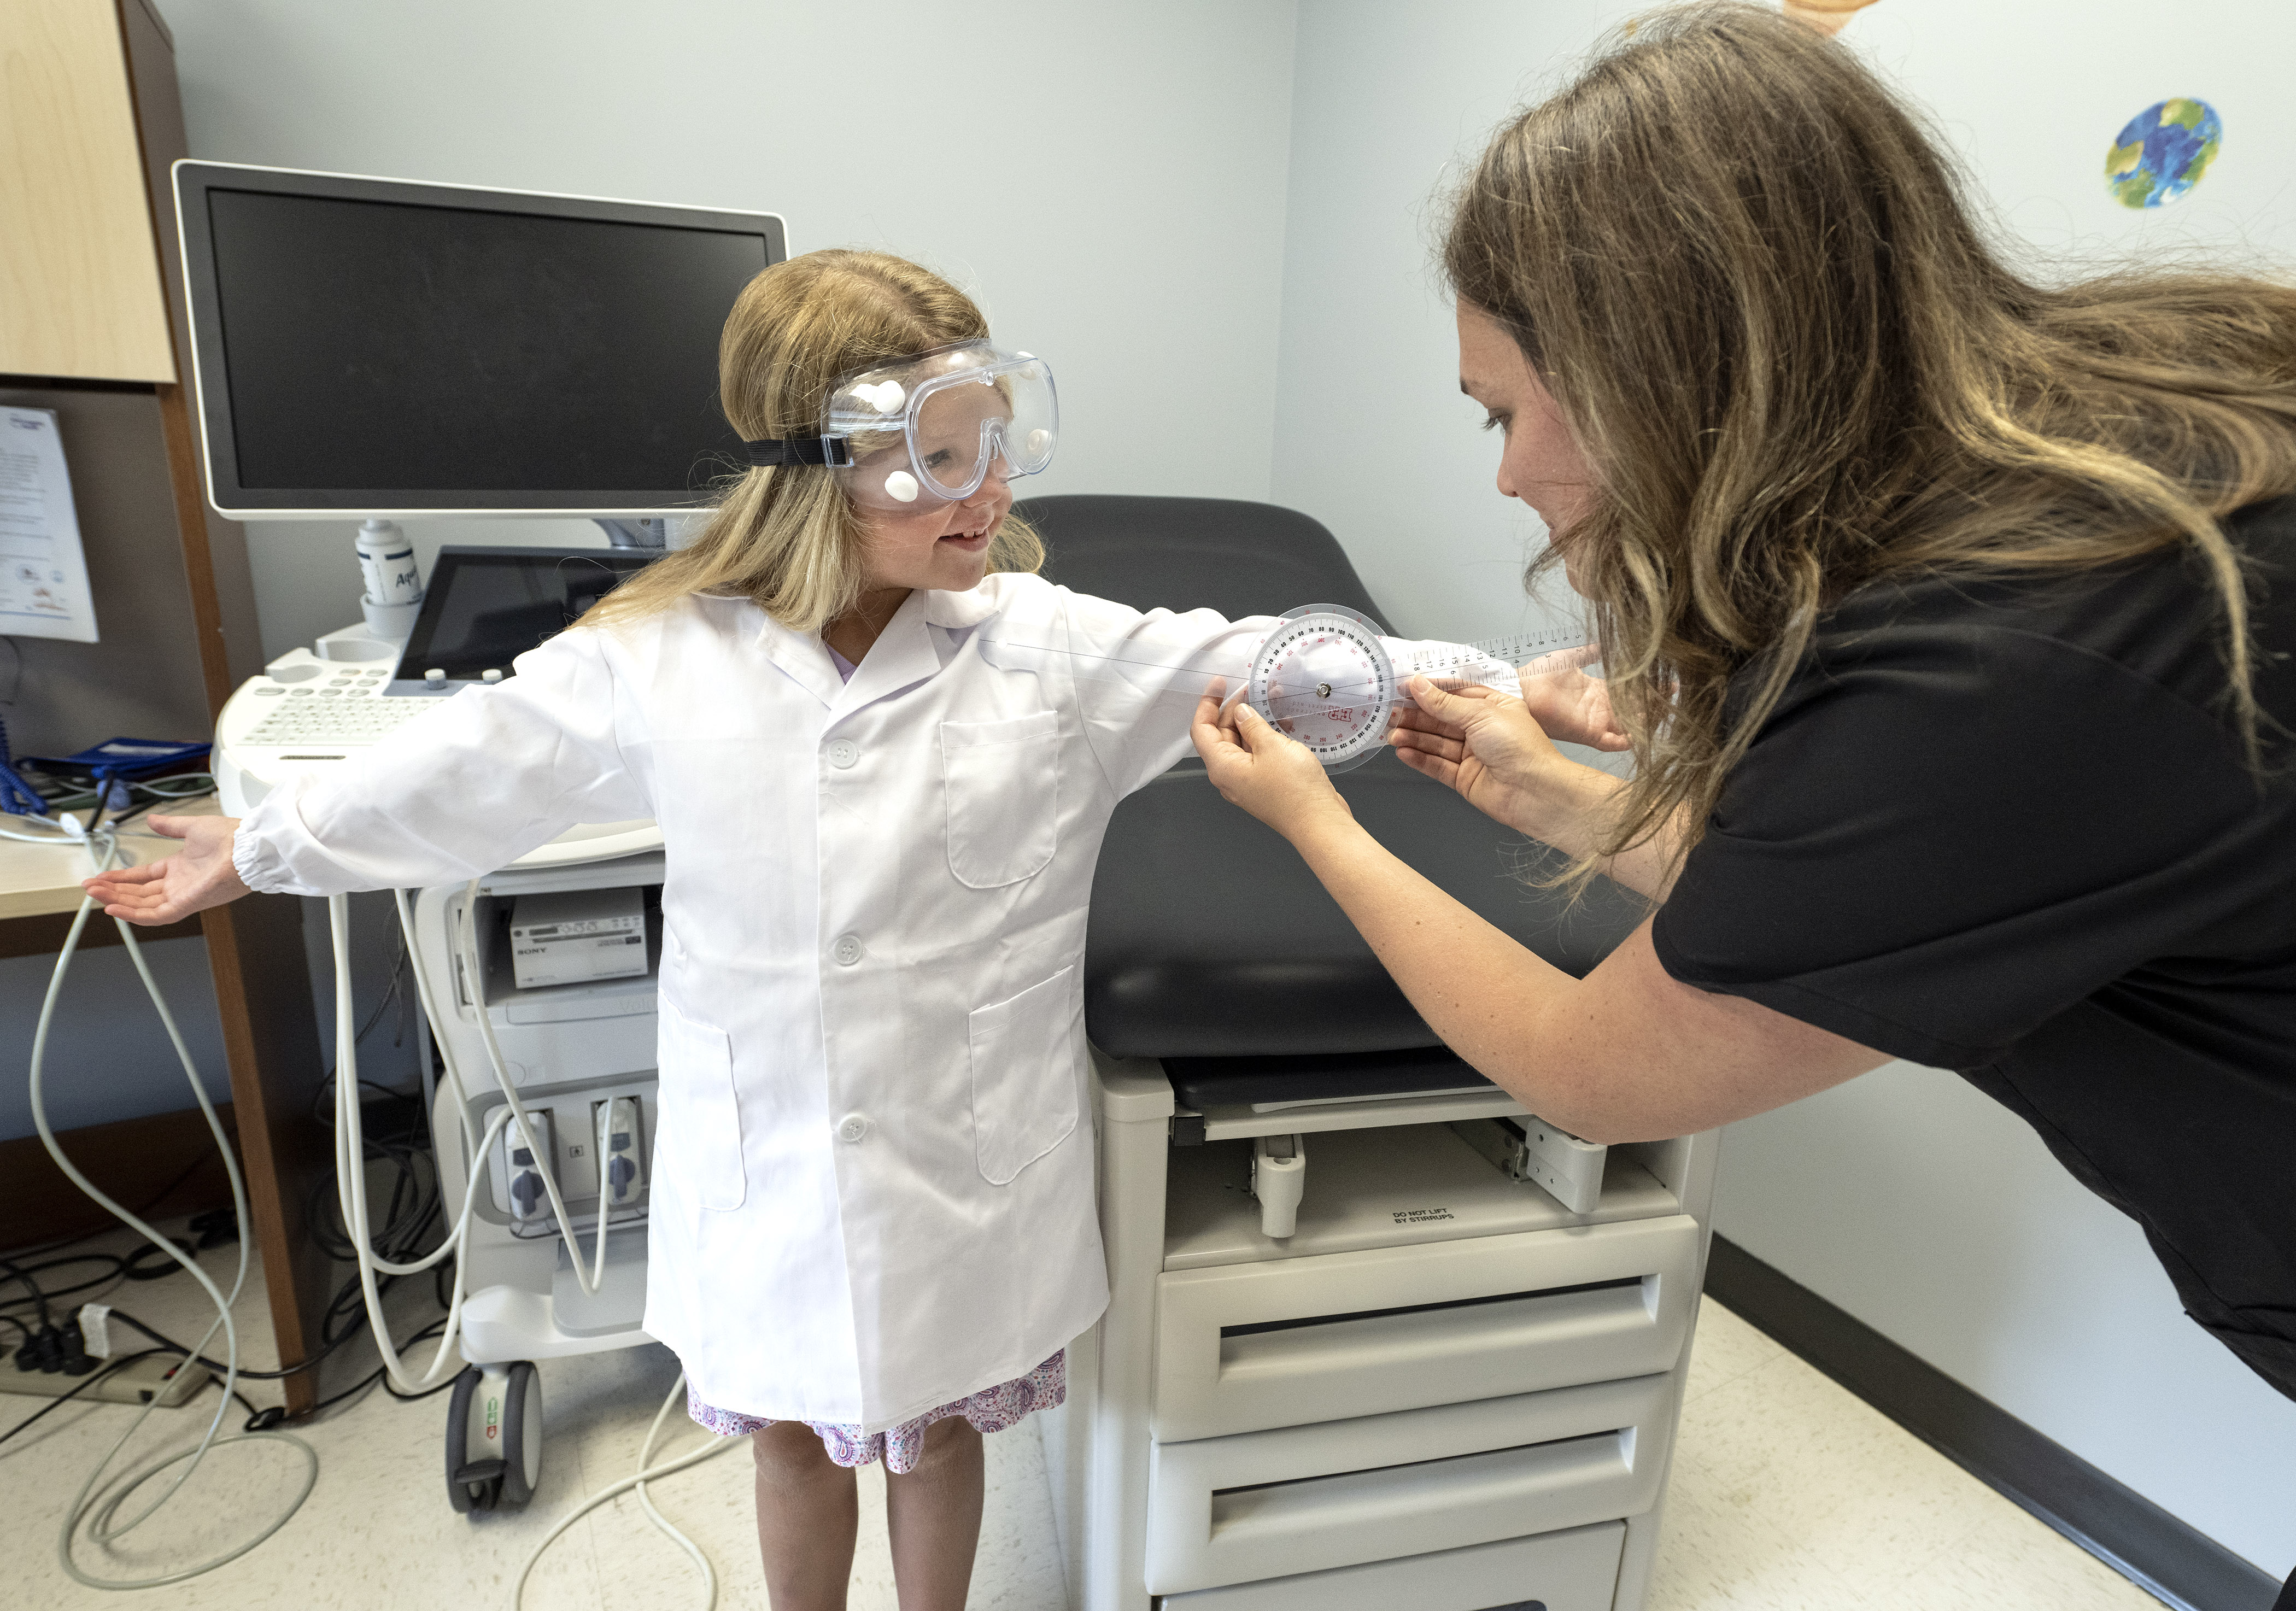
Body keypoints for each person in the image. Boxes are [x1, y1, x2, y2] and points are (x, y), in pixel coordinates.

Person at [1191, 5, 2296, 1599]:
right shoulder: (2127, 434)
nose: (1506, 478)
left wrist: (1319, 826)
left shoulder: (1980, 673)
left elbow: (1596, 1069)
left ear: (1657, 373)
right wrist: (1558, 793)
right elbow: (1885, 895)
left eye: (1504, 412)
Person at [81, 250, 1294, 1611]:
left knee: (941, 1427)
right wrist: (258, 849)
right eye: (942, 460)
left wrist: (1498, 692)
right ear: (809, 470)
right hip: (767, 1153)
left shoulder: (1041, 646)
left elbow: (1263, 662)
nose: (993, 491)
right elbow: (466, 763)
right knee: (787, 1428)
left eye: (996, 446)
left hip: (964, 1156)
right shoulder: (659, 654)